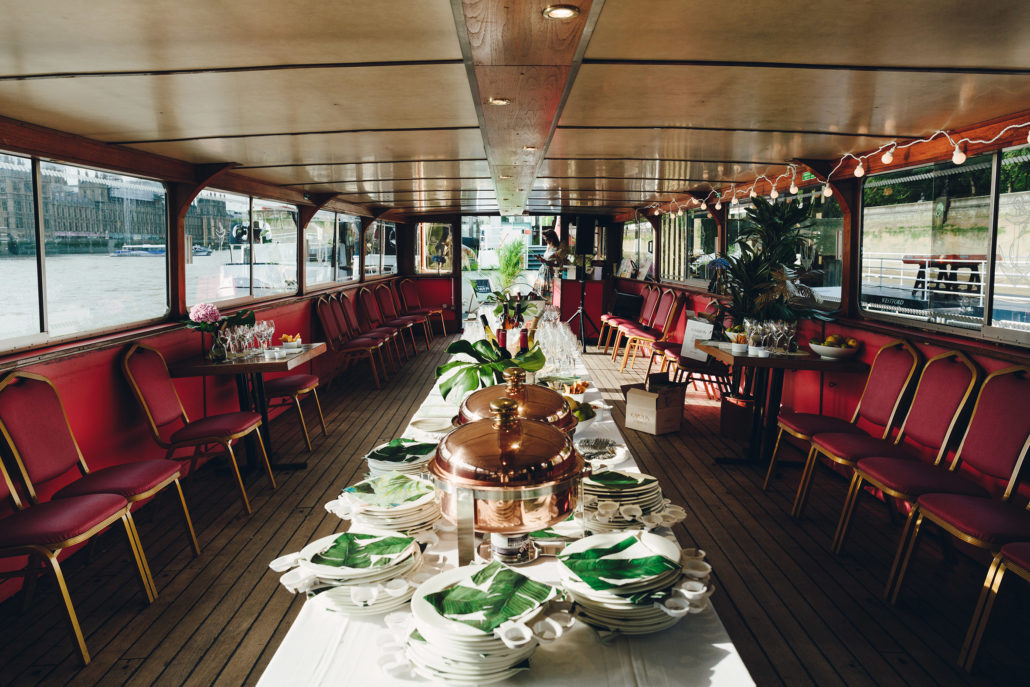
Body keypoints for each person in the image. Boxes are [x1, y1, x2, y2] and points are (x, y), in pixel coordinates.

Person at [533, 229, 569, 298]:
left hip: (550, 273)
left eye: (546, 239)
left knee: (549, 296)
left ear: (551, 238)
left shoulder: (557, 249)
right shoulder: (548, 247)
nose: (545, 241)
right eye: (544, 239)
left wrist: (545, 261)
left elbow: (558, 264)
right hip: (543, 272)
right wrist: (541, 259)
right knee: (540, 295)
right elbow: (547, 259)